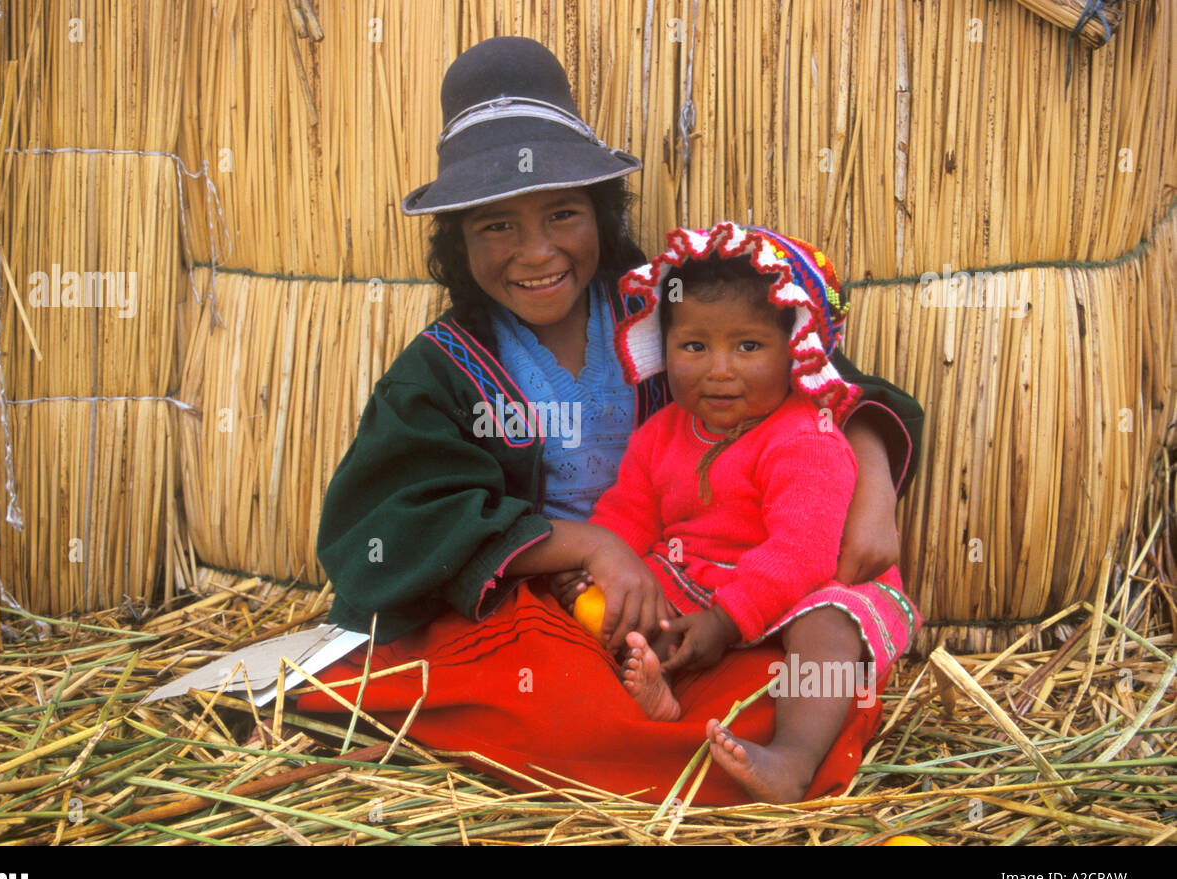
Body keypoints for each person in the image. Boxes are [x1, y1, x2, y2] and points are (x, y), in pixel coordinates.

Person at [296, 36, 923, 805]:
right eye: (496, 226)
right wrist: (590, 545)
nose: (537, 252)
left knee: (810, 661)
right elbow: (390, 523)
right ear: (457, 240)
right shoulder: (443, 370)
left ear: (600, 211)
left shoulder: (670, 311)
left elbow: (826, 376)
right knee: (551, 691)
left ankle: (740, 746)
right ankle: (674, 739)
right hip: (563, 603)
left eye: (563, 213)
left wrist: (871, 485)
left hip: (714, 588)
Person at [557, 222, 918, 803]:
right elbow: (628, 515)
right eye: (694, 346)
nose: (718, 369)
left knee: (825, 626)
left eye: (748, 346)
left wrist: (727, 622)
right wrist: (600, 563)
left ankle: (793, 760)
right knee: (622, 601)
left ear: (795, 351)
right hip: (698, 579)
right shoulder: (660, 434)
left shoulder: (806, 438)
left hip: (802, 587)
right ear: (665, 344)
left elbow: (802, 550)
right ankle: (658, 694)